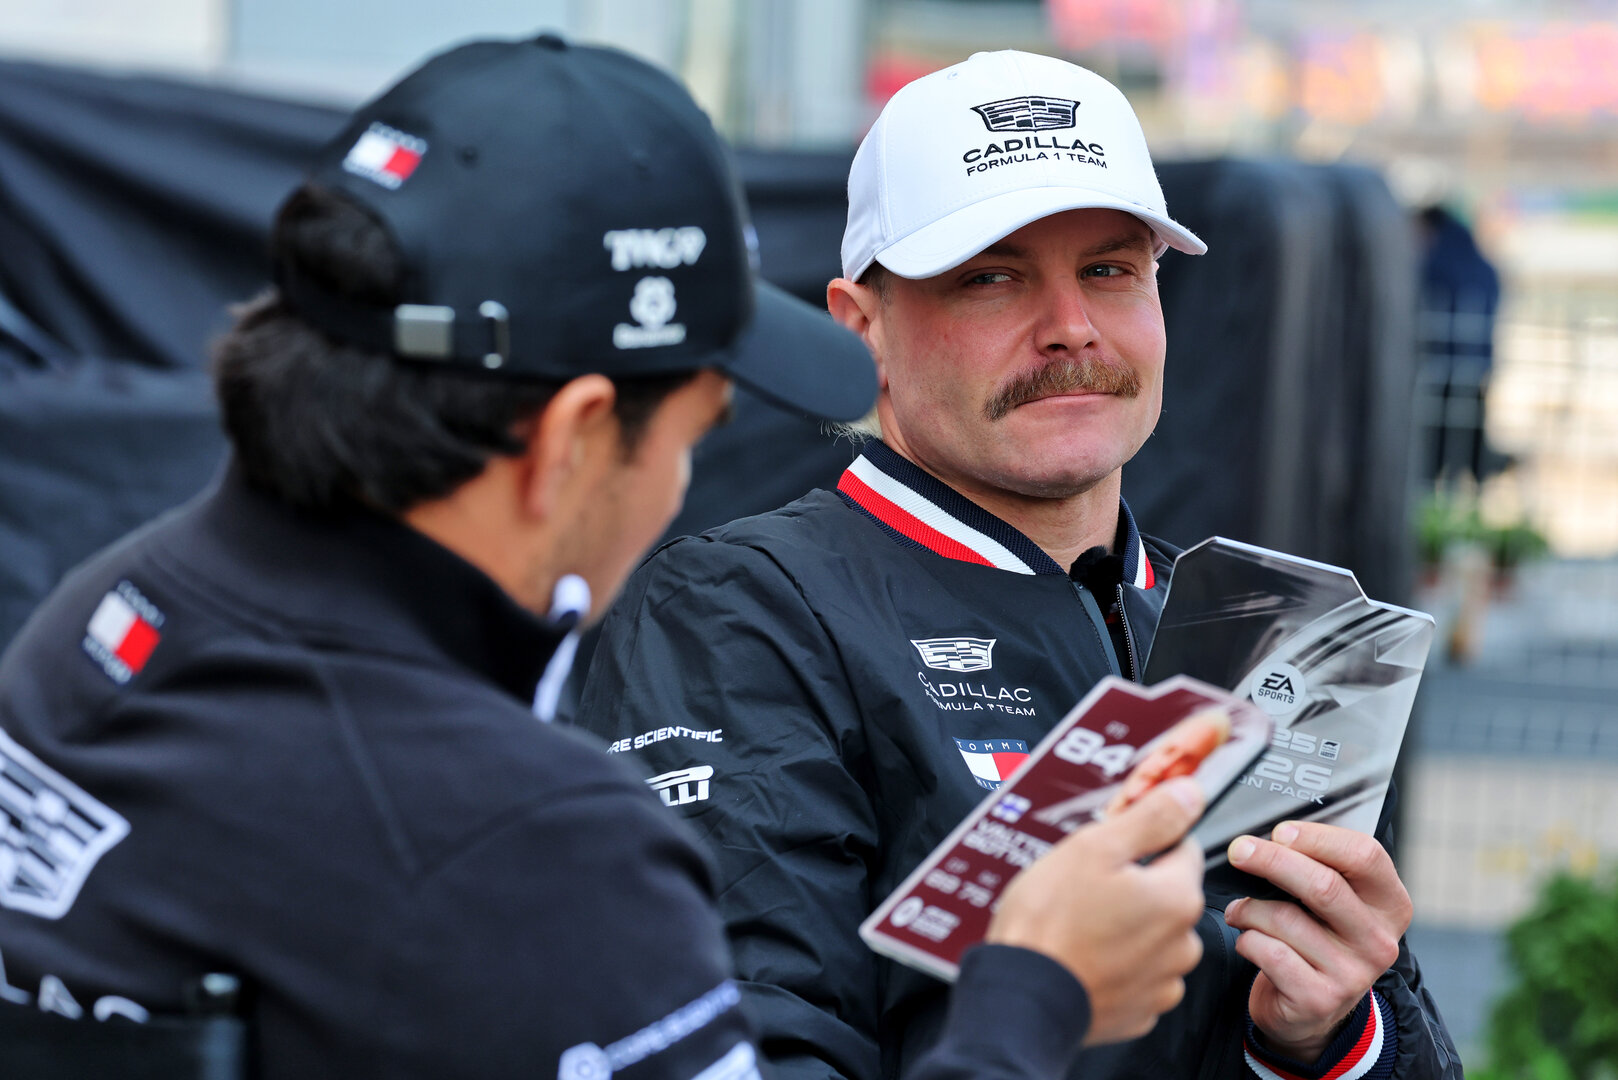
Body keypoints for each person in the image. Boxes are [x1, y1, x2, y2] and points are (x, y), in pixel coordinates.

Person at [0, 36, 1213, 1080]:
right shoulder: (529, 838)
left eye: (1113, 268)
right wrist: (1033, 992)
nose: (1069, 325)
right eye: (695, 433)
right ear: (579, 436)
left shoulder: (100, 619)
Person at [574, 50, 1462, 1080]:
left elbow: (1386, 1036)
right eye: (991, 277)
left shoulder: (1265, 634)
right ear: (859, 326)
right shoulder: (744, 613)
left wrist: (1328, 1041)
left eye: (1109, 268)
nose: (1071, 328)